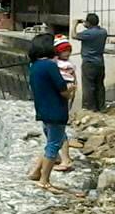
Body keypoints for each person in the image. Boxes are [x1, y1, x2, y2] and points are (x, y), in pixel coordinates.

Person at [26, 33, 78, 194]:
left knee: (51, 141)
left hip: (43, 109)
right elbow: (62, 90)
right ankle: (44, 180)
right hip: (55, 110)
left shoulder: (33, 65)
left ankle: (35, 172)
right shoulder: (49, 65)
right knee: (54, 145)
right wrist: (71, 89)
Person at [75, 13, 108, 112]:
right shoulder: (103, 32)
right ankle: (101, 107)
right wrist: (86, 24)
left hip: (89, 63)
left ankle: (89, 108)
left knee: (88, 86)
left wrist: (75, 24)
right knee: (99, 85)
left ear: (88, 23)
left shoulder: (88, 33)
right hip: (100, 63)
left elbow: (73, 35)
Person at [53, 35, 76, 172]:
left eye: (68, 50)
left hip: (62, 94)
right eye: (63, 50)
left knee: (59, 129)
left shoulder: (61, 65)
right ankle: (55, 155)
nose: (66, 53)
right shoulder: (58, 64)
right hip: (62, 94)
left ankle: (66, 159)